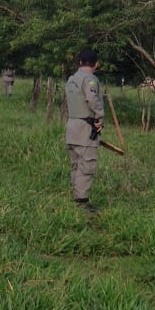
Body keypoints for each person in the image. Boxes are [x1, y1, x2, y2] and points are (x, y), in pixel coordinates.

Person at [65, 48, 105, 213]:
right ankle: (82, 202)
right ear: (96, 64)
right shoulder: (90, 80)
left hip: (72, 126)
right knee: (87, 164)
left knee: (75, 164)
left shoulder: (71, 79)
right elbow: (92, 99)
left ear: (80, 62)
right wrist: (100, 117)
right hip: (85, 128)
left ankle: (76, 196)